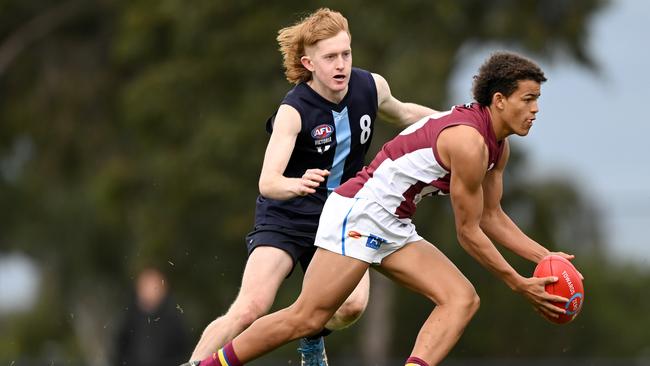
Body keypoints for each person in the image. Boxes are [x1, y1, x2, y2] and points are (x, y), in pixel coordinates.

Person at [189, 51, 581, 366]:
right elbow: (469, 232)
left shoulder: (499, 146)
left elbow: (492, 216)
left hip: (393, 222)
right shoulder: (469, 144)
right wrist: (518, 283)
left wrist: (545, 257)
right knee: (306, 317)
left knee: (461, 299)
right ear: (499, 100)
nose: (535, 109)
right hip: (360, 211)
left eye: (537, 100)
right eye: (528, 99)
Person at [186, 8, 437, 366]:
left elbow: (406, 114)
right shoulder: (294, 110)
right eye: (330, 57)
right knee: (250, 307)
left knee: (351, 307)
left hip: (344, 216)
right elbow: (268, 182)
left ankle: (312, 334)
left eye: (345, 54)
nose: (341, 65)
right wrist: (297, 183)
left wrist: (455, 120)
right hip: (288, 214)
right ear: (309, 63)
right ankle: (194, 362)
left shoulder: (371, 86)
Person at [114, 267, 191, 366]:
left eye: (154, 286)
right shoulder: (128, 318)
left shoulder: (173, 319)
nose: (150, 291)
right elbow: (119, 352)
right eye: (146, 286)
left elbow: (182, 352)